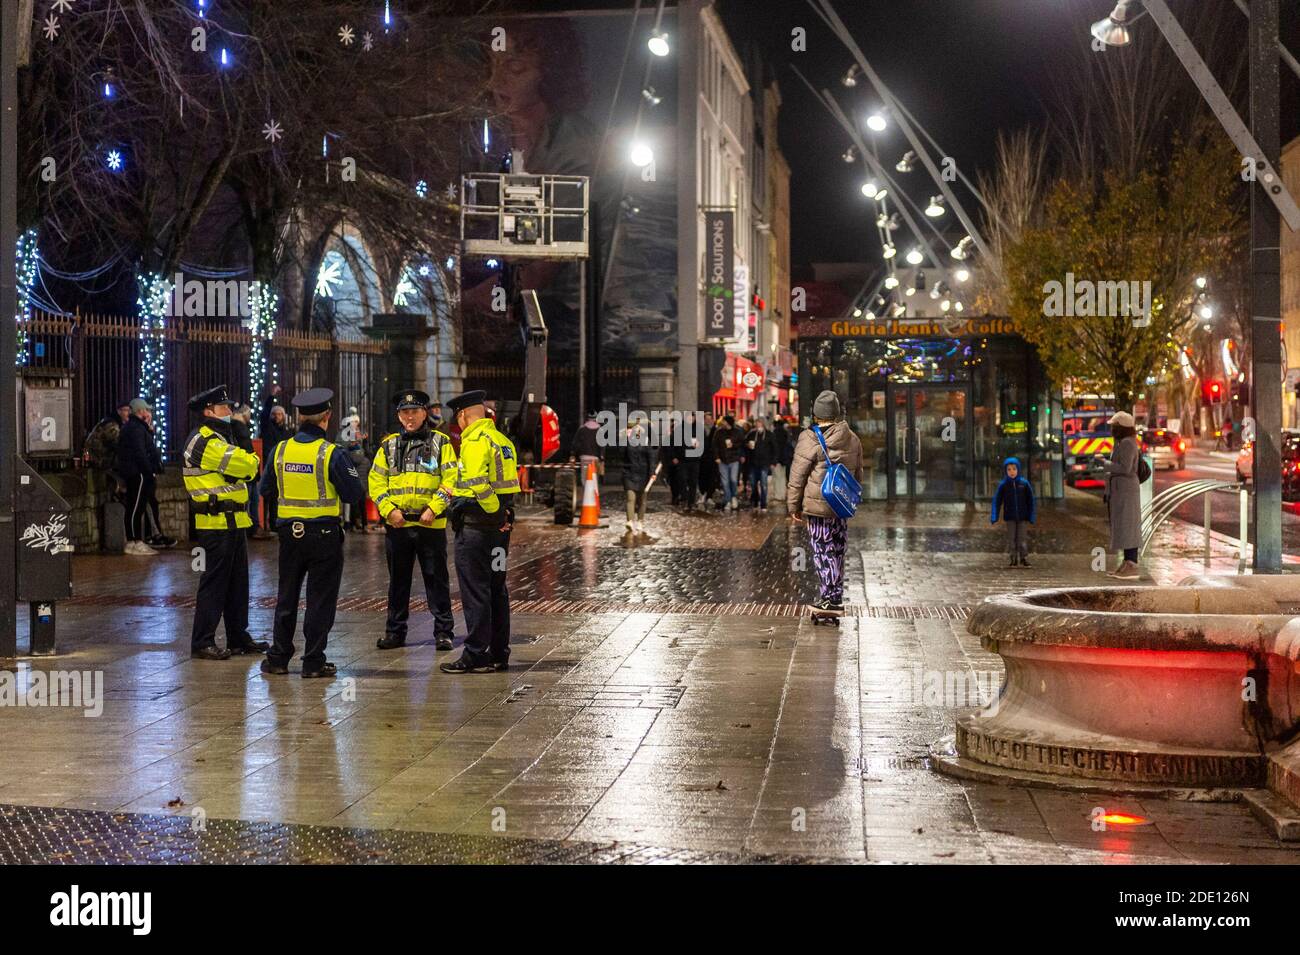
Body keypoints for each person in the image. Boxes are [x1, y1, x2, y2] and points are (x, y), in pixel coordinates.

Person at [258, 388, 365, 678]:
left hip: (288, 536)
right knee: (319, 599)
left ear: (299, 416)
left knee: (286, 595)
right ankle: (313, 661)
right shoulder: (331, 453)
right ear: (327, 417)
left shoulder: (280, 450)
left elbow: (264, 489)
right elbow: (355, 494)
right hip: (324, 536)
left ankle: (278, 657)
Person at [182, 385, 269, 660]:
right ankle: (202, 641)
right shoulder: (205, 441)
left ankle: (237, 637)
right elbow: (248, 466)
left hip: (234, 521)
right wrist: (247, 462)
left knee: (237, 583)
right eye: (224, 408)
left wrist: (246, 463)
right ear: (209, 411)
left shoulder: (221, 437)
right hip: (215, 523)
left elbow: (247, 468)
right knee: (214, 584)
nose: (230, 411)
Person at [439, 390, 520, 675]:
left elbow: (477, 483)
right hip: (500, 533)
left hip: (477, 529)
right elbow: (510, 485)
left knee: (476, 590)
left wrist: (494, 511)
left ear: (462, 415)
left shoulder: (474, 441)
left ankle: (476, 653)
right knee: (497, 588)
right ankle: (499, 653)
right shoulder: (501, 439)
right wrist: (504, 513)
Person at [370, 389, 457, 651]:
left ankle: (443, 632)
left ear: (425, 413)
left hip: (431, 524)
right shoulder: (388, 446)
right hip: (399, 526)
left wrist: (434, 507)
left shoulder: (442, 444)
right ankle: (395, 632)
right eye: (404, 412)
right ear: (399, 416)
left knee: (437, 581)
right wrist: (389, 510)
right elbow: (376, 482)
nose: (409, 416)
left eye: (414, 411)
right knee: (398, 582)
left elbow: (451, 480)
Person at [786, 390, 864, 616]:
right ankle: (835, 596)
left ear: (817, 414)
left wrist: (793, 506)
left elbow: (797, 476)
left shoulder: (810, 438)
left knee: (822, 550)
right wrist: (851, 499)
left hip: (818, 507)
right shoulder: (852, 437)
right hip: (840, 505)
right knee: (837, 550)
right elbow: (858, 475)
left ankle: (830, 600)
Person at [117, 397, 168, 554]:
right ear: (140, 411)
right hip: (138, 473)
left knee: (136, 507)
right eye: (147, 410)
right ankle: (135, 541)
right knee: (136, 507)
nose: (149, 412)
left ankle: (134, 541)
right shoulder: (136, 428)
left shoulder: (136, 427)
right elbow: (141, 452)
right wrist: (148, 472)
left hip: (136, 472)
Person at [1098, 410, 1142, 579]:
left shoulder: (1127, 444)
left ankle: (1132, 564)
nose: (1111, 429)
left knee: (1128, 526)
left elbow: (1125, 468)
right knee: (1124, 526)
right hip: (1121, 491)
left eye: (1114, 426)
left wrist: (1104, 463)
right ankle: (1127, 562)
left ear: (1120, 428)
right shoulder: (1123, 442)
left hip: (1126, 492)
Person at [991, 456, 1036, 568]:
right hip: (1010, 516)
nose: (1012, 472)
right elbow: (997, 501)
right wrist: (994, 515)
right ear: (1005, 471)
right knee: (1011, 538)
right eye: (1009, 469)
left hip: (1022, 517)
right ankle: (1013, 557)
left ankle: (1023, 557)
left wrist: (1031, 515)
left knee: (1022, 538)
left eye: (1014, 469)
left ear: (1018, 469)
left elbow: (1031, 501)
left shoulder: (1024, 484)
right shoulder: (1004, 485)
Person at [258, 401, 293, 531]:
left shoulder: (287, 432)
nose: (278, 416)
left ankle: (275, 523)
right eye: (275, 414)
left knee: (278, 497)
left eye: (280, 414)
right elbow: (264, 415)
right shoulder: (268, 428)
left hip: (283, 466)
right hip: (270, 465)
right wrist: (271, 398)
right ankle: (267, 524)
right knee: (268, 496)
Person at [623, 414, 655, 534]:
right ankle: (630, 521)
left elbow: (651, 458)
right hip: (629, 473)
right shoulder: (626, 441)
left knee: (642, 499)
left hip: (643, 474)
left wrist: (652, 473)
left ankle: (640, 521)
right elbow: (621, 454)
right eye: (631, 428)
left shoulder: (647, 441)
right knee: (630, 498)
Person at [712, 414, 743, 510]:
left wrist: (733, 445)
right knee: (725, 482)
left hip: (734, 459)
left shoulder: (737, 432)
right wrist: (716, 457)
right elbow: (715, 445)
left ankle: (733, 496)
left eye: (724, 421)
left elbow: (742, 444)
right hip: (722, 460)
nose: (723, 423)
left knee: (733, 480)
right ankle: (728, 500)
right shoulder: (719, 432)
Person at [746, 417, 776, 512]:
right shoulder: (751, 434)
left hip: (764, 463)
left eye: (759, 423)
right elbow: (745, 444)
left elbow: (775, 448)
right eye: (757, 423)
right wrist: (747, 446)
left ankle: (763, 504)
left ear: (763, 424)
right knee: (753, 484)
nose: (758, 424)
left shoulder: (769, 435)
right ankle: (755, 501)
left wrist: (773, 462)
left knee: (763, 484)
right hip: (753, 463)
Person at [678, 412, 702, 512]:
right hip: (683, 459)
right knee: (682, 480)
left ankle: (691, 502)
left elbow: (704, 441)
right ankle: (685, 498)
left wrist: (699, 446)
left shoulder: (698, 429)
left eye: (692, 418)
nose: (690, 420)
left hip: (695, 459)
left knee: (693, 482)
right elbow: (675, 443)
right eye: (689, 418)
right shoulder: (680, 429)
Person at [697, 412, 718, 507]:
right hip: (702, 457)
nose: (708, 421)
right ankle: (702, 494)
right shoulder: (699, 430)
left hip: (713, 458)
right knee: (702, 476)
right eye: (706, 419)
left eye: (710, 419)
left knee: (712, 477)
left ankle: (709, 496)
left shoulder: (716, 430)